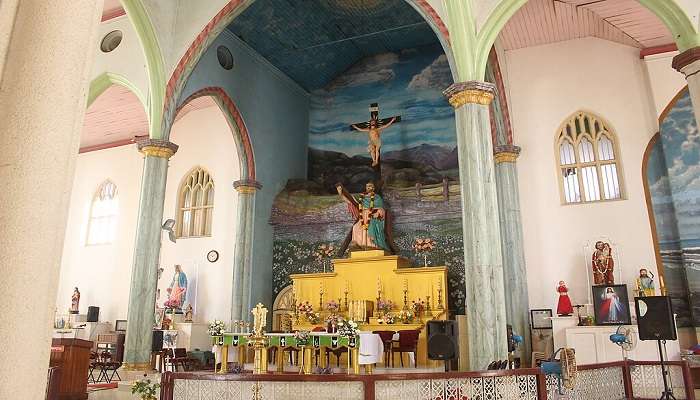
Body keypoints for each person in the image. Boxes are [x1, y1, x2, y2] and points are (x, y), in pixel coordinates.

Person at [336, 181, 389, 251]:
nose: (369, 188)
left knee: (370, 228)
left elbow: (381, 208)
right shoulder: (362, 197)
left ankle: (372, 245)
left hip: (372, 217)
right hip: (363, 217)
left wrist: (378, 213)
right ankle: (358, 246)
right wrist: (340, 193)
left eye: (371, 186)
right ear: (366, 187)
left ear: (374, 188)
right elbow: (350, 201)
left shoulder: (377, 197)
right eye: (368, 186)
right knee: (355, 227)